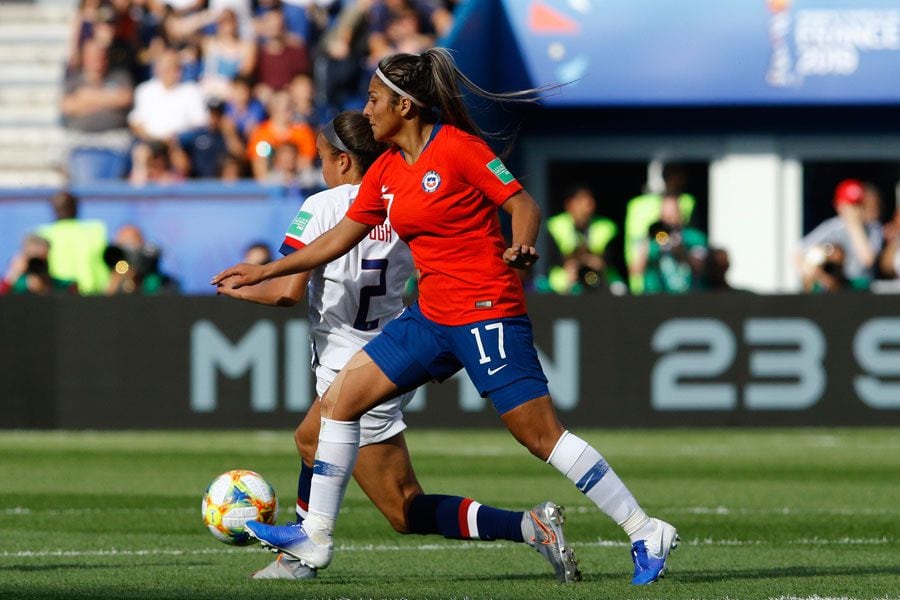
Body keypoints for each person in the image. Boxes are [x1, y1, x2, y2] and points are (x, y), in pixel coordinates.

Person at [212, 48, 678, 586]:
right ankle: (315, 538)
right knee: (339, 401)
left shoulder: (459, 149)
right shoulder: (385, 170)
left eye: (374, 99)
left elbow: (523, 204)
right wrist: (265, 269)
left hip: (486, 311)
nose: (366, 111)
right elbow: (337, 240)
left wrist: (522, 246)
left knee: (539, 435)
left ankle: (645, 529)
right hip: (431, 317)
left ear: (405, 106)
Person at [216, 111, 578, 582]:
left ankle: (300, 556)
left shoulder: (324, 206)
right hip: (392, 352)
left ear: (344, 162)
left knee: (314, 440)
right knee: (403, 510)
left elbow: (287, 291)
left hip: (351, 363)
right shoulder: (397, 200)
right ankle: (529, 527)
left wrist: (237, 286)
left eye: (324, 158)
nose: (322, 168)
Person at [797, 179, 883, 291]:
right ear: (838, 205)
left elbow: (867, 260)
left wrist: (854, 225)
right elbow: (799, 253)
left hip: (859, 286)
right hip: (833, 287)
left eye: (858, 204)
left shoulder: (873, 228)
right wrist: (821, 275)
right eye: (850, 205)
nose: (854, 209)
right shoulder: (832, 227)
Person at [543, 185, 619, 295]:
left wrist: (597, 263)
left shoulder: (606, 227)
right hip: (565, 277)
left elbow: (611, 259)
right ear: (569, 204)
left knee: (618, 288)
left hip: (600, 277)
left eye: (590, 199)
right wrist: (574, 264)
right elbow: (552, 259)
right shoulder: (555, 225)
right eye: (581, 200)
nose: (588, 204)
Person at [37, 191, 110, 295]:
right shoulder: (96, 231)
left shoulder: (41, 234)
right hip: (93, 299)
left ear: (54, 210)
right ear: (76, 208)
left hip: (58, 301)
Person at [634, 192, 708, 294]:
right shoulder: (652, 238)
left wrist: (682, 252)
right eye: (665, 217)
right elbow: (636, 271)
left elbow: (700, 269)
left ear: (681, 215)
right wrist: (648, 244)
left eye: (672, 216)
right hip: (655, 299)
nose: (669, 222)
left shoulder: (694, 238)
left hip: (688, 298)